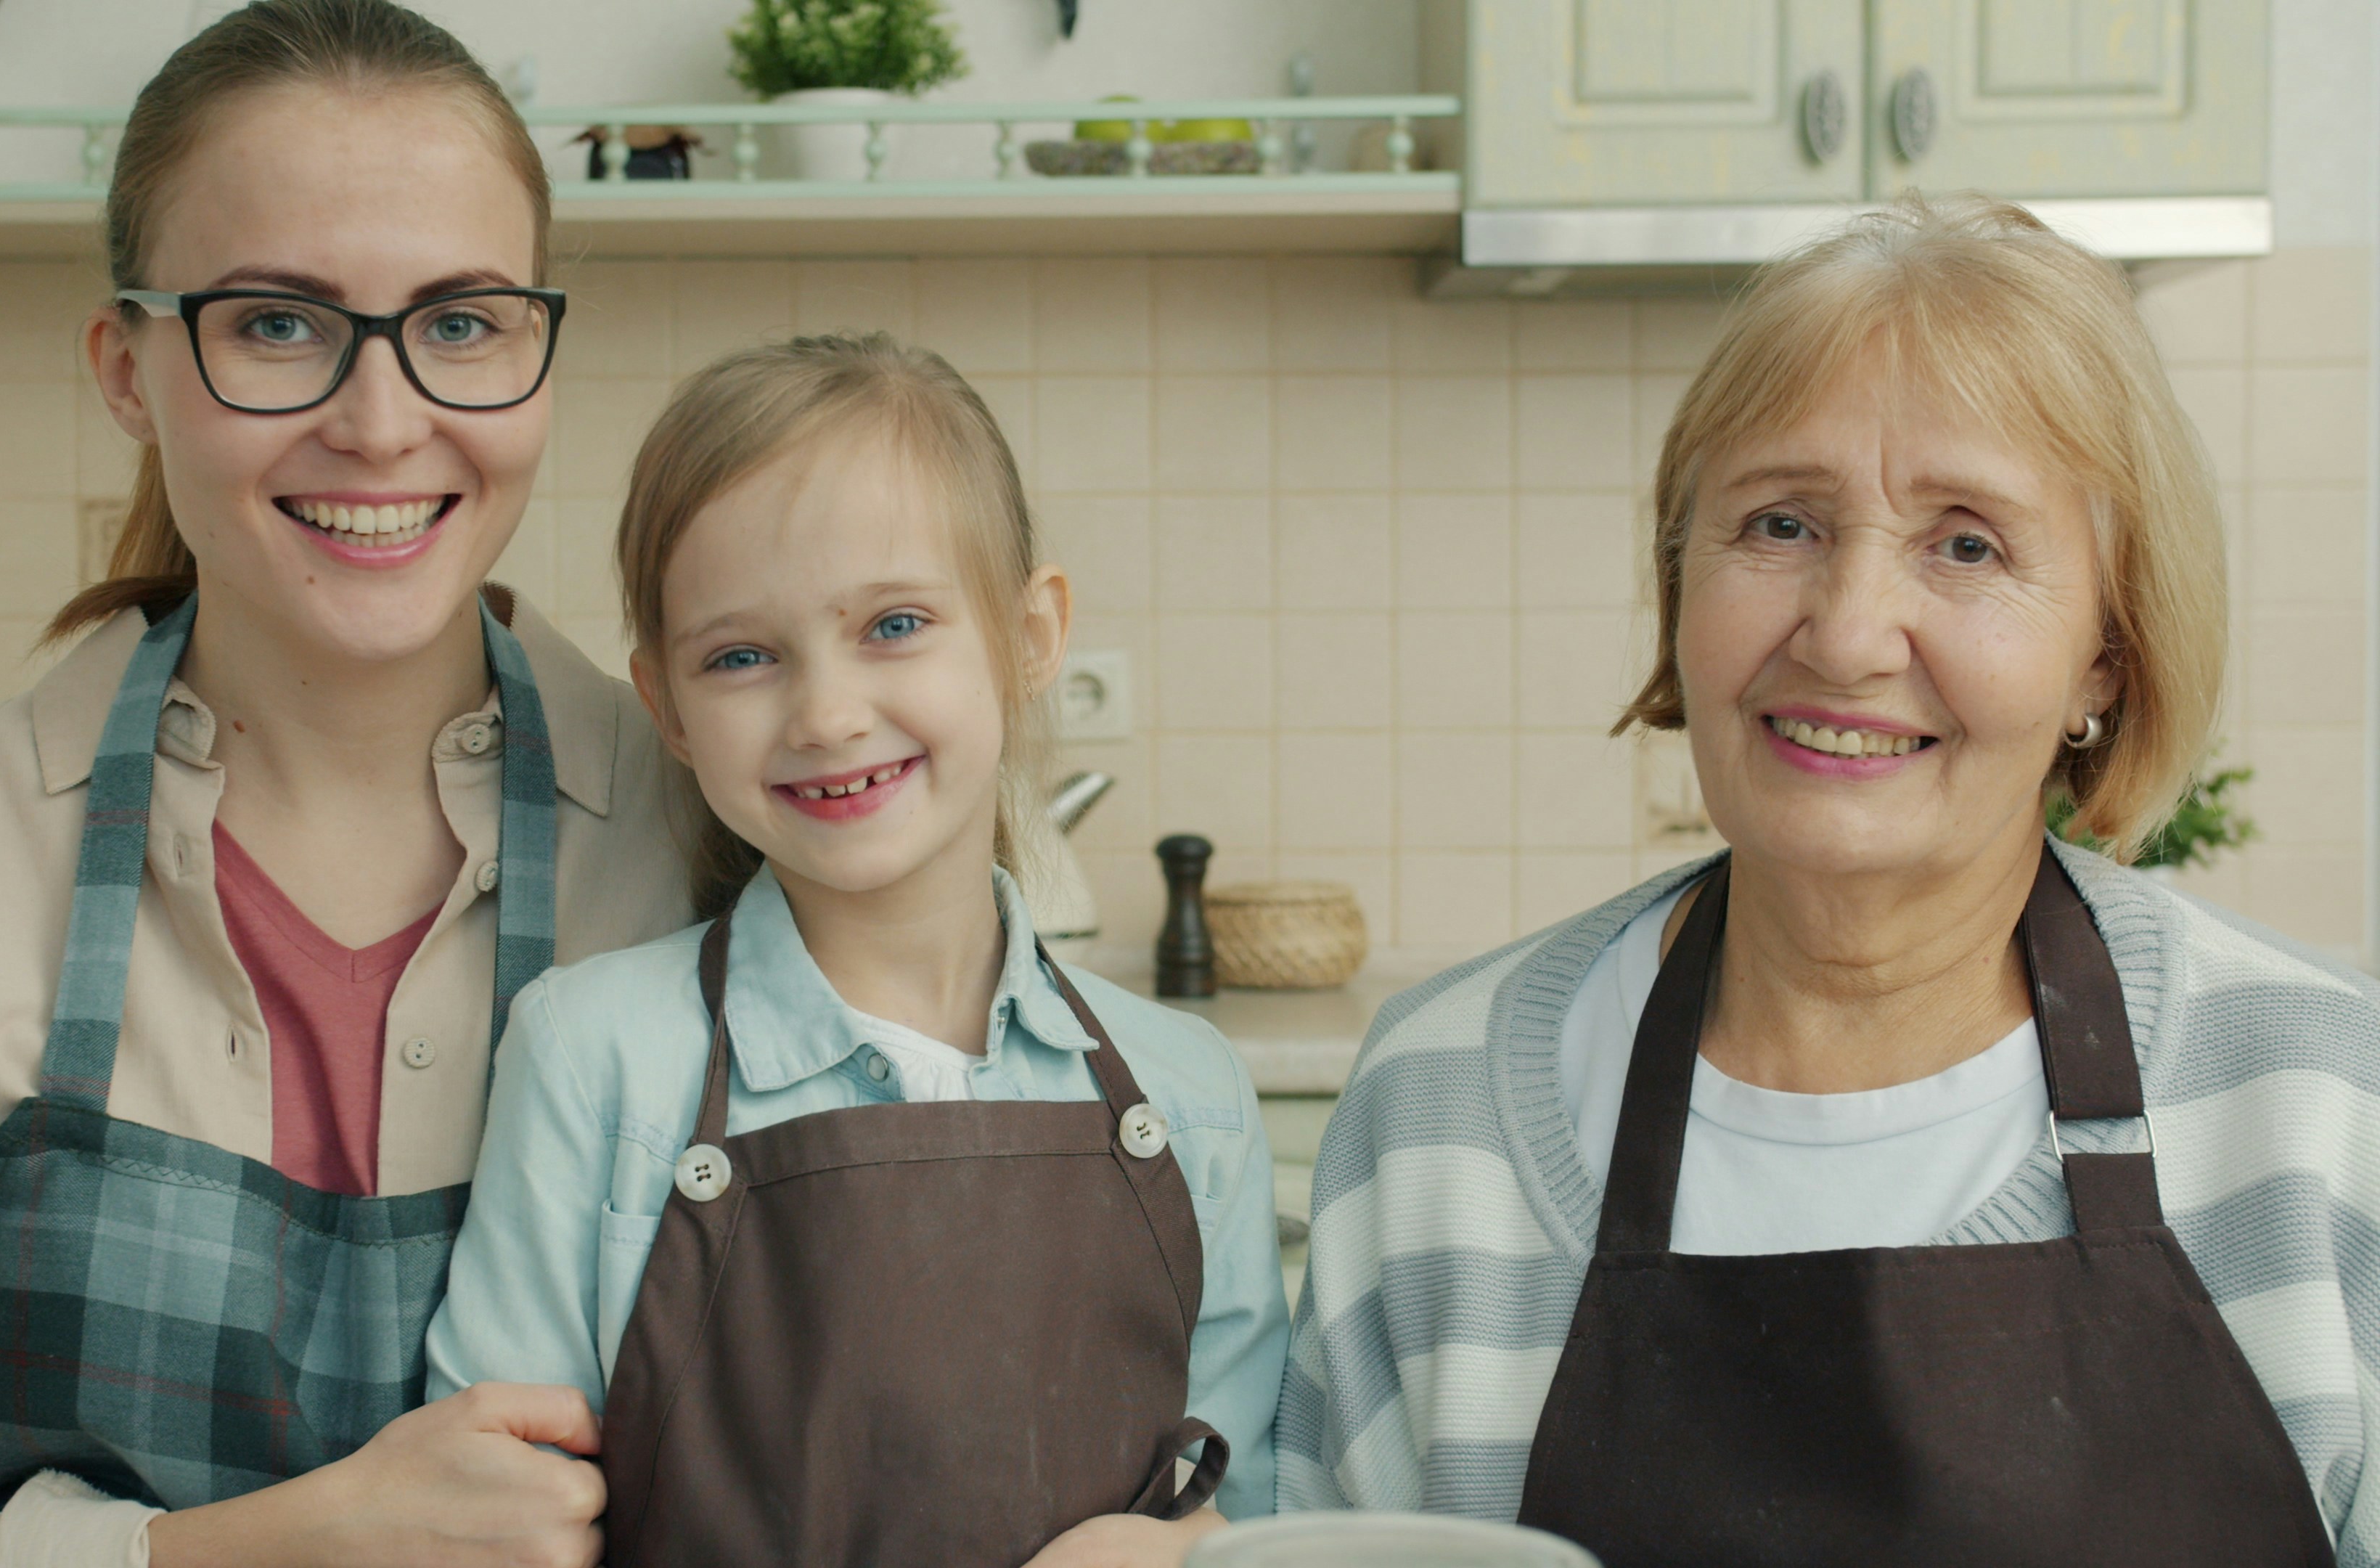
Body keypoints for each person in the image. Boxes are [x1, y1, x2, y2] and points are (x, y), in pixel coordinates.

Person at [0, 4, 695, 1565]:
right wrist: (265, 1552)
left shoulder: (714, 843)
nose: (382, 420)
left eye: (463, 323)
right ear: (126, 368)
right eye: (276, 324)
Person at [1280, 193, 2380, 1567]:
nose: (1850, 633)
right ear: (1682, 585)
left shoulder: (2323, 1109)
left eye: (1967, 543)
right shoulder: (1438, 1113)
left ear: (2106, 654)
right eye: (1781, 525)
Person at [422, 333, 1290, 1567]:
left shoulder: (1189, 1093)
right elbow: (489, 1522)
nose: (827, 714)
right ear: (663, 704)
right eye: (741, 656)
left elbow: (1251, 1498)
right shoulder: (591, 1057)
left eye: (893, 623)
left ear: (1031, 635)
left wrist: (1187, 1550)